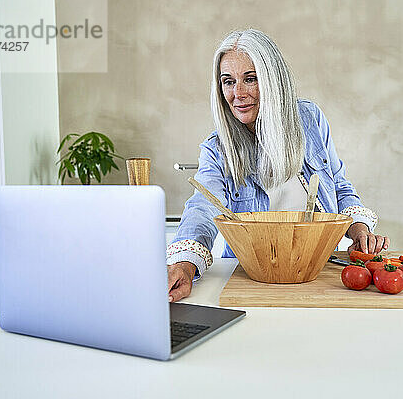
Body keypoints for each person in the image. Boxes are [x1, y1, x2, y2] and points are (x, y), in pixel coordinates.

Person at [167, 29, 389, 302]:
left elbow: (339, 186)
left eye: (250, 79)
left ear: (273, 80)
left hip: (317, 271)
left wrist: (359, 230)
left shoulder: (310, 119)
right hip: (252, 276)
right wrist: (184, 266)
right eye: (228, 81)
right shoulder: (217, 148)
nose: (238, 94)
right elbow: (202, 208)